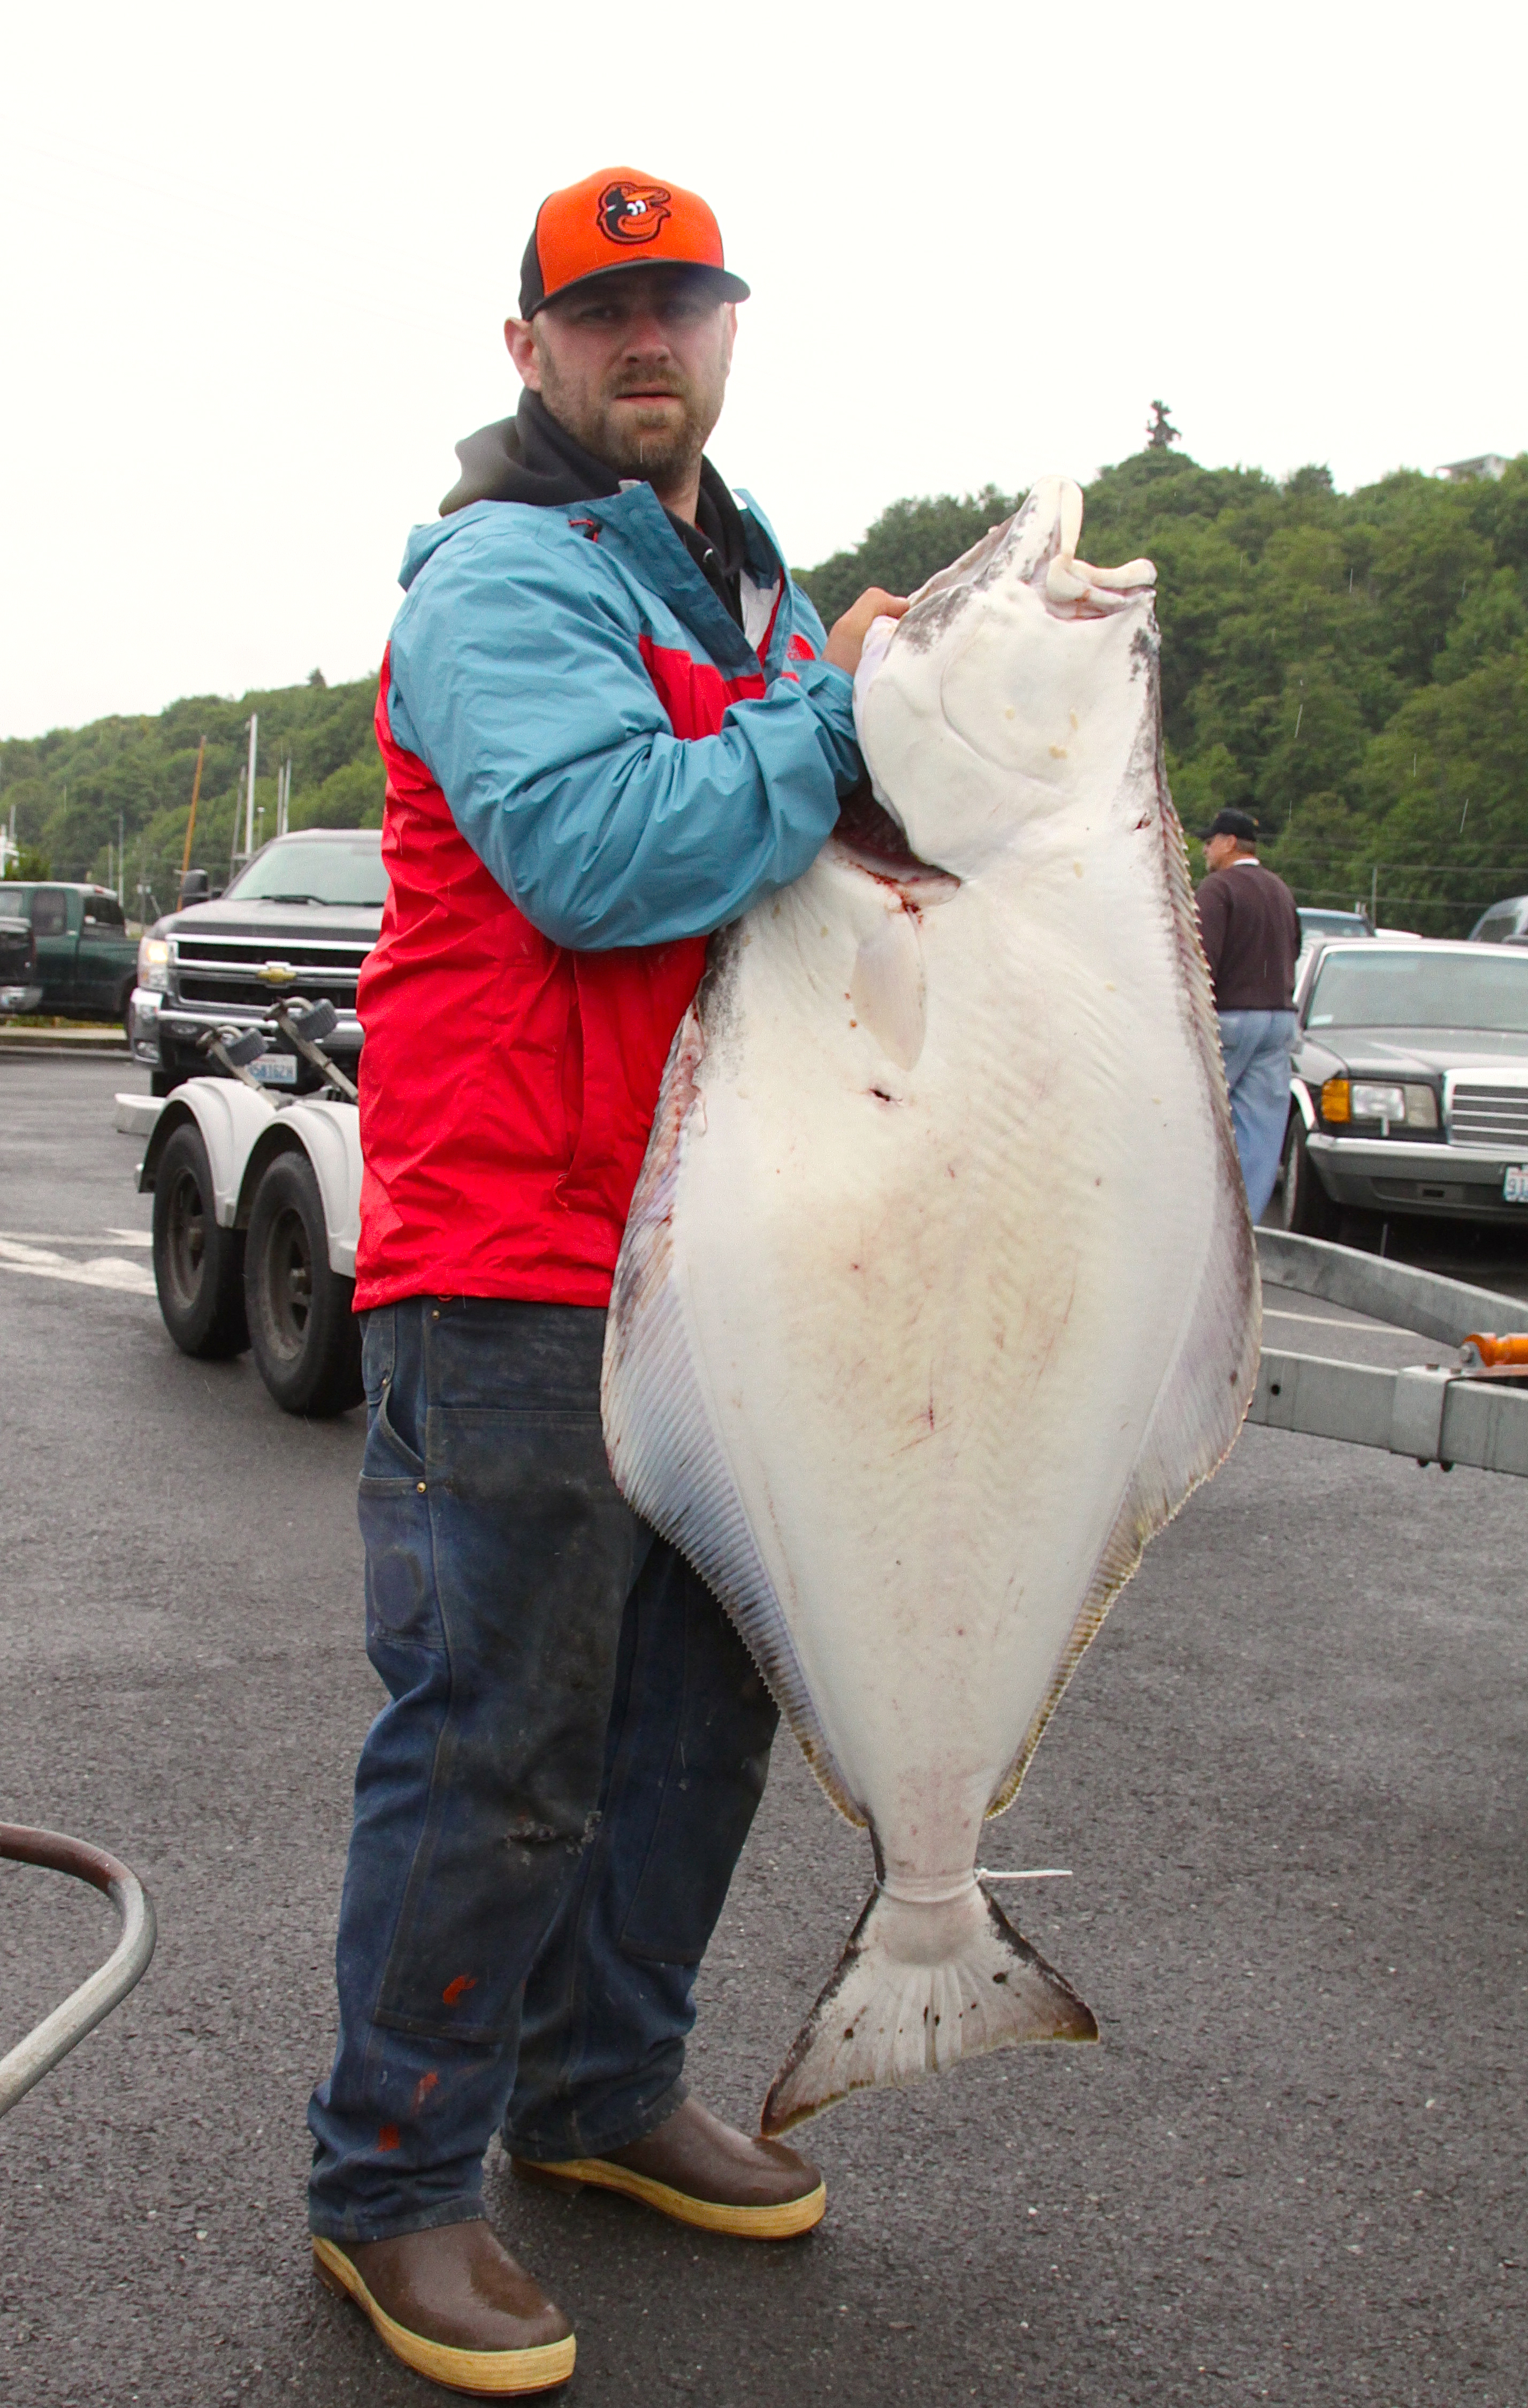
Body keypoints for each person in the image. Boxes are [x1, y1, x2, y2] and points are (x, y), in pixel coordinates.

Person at [304, 164, 906, 2396]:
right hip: (519, 1256)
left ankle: (599, 2086)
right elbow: (598, 854)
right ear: (532, 350)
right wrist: (835, 720)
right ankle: (389, 2186)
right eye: (603, 311)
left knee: (695, 1713)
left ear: (727, 330)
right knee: (506, 1734)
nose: (648, 341)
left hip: (718, 1267)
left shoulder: (743, 595)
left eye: (683, 305)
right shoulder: (497, 580)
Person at [1195, 808, 1300, 1221]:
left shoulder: (1218, 889)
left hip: (1231, 1019)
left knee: (1200, 1122)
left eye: (1210, 840)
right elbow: (1293, 949)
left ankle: (1203, 1225)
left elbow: (1201, 960)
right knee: (1259, 1134)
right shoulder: (1281, 891)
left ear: (1230, 843)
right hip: (1278, 1020)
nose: (1205, 849)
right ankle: (1246, 1229)